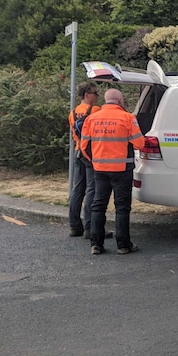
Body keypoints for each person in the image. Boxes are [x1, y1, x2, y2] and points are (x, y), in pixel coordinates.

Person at [80, 88, 145, 255]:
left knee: (98, 206)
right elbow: (140, 144)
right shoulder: (128, 118)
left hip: (100, 169)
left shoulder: (92, 119)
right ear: (120, 100)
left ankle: (96, 244)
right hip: (122, 169)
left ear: (105, 100)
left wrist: (95, 162)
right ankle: (123, 245)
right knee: (122, 207)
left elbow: (84, 146)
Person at [67, 82, 100, 238]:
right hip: (91, 153)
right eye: (95, 93)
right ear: (87, 94)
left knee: (77, 190)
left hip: (78, 152)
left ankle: (74, 226)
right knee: (92, 189)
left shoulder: (72, 113)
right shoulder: (95, 110)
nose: (97, 96)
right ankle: (89, 227)